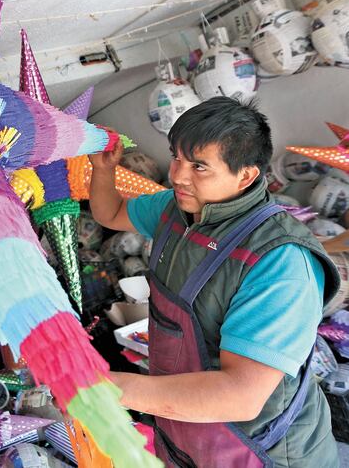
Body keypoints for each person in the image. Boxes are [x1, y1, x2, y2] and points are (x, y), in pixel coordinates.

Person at [89, 96, 340, 467]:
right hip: (187, 434)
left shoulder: (280, 261)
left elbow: (240, 396)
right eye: (176, 157)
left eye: (199, 166)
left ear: (246, 176)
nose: (177, 175)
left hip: (260, 448)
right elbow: (111, 213)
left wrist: (110, 388)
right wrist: (103, 170)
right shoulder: (175, 209)